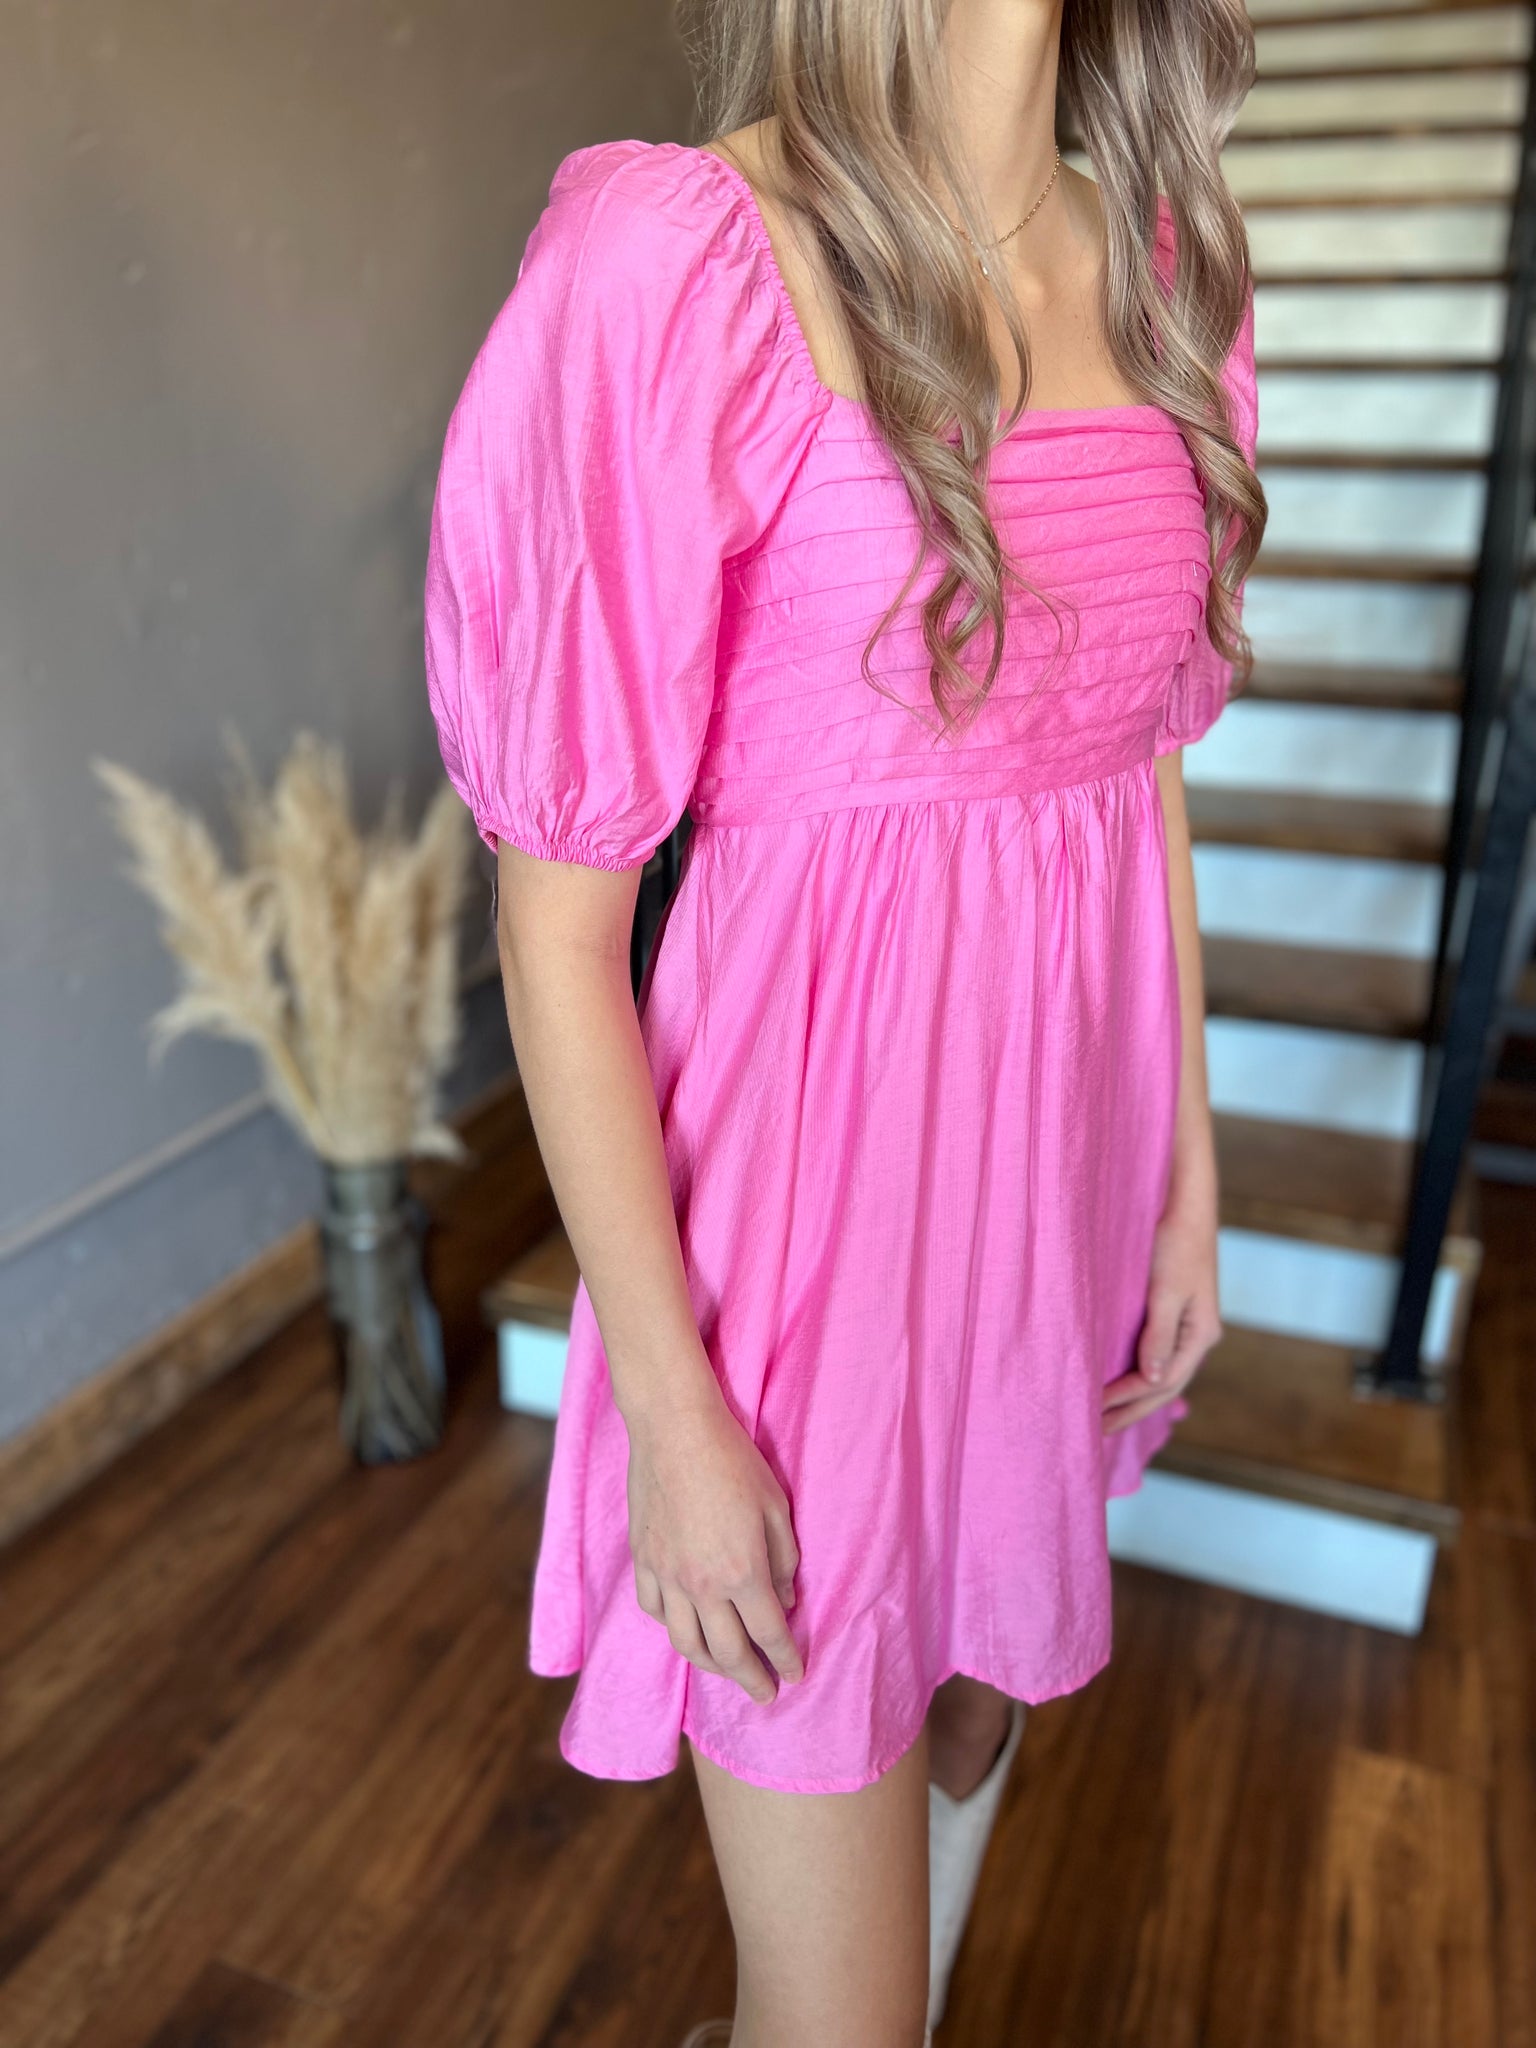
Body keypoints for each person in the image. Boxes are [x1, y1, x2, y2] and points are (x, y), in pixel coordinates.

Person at [423, 0, 1265, 2037]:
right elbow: (558, 922)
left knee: (975, 1707)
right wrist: (673, 1411)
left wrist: (1185, 1176)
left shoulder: (1165, 263)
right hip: (801, 1251)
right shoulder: (681, 266)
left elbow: (1134, 762)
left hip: (1058, 1179)